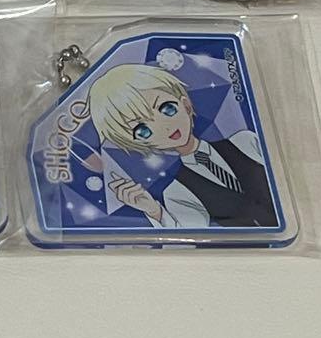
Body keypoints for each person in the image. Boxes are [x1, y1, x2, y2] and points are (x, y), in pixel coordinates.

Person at [87, 63, 277, 228]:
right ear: (135, 142)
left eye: (166, 108)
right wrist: (154, 211)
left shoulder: (245, 142)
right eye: (143, 130)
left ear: (185, 105)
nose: (165, 127)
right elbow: (191, 234)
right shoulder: (177, 193)